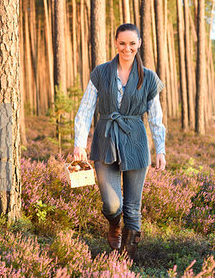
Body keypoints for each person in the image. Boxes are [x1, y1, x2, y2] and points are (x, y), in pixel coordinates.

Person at [73, 23, 166, 260]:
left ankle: (126, 262)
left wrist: (160, 149)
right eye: (122, 43)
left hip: (136, 142)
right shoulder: (101, 72)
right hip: (105, 140)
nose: (127, 48)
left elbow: (156, 117)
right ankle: (113, 224)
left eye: (132, 43)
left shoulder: (150, 78)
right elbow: (85, 109)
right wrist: (79, 143)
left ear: (139, 44)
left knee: (133, 209)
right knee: (112, 204)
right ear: (115, 42)